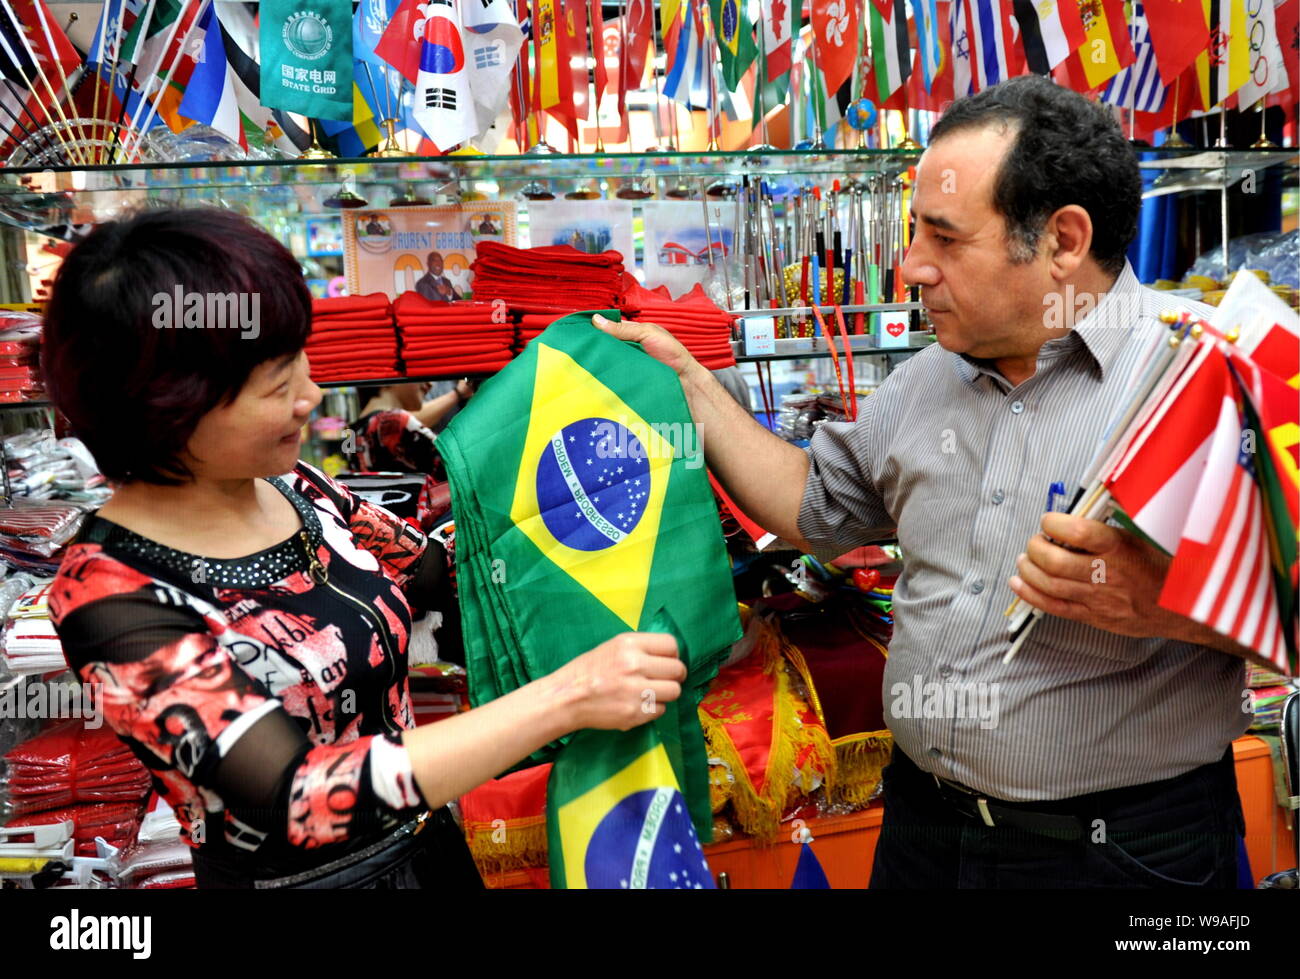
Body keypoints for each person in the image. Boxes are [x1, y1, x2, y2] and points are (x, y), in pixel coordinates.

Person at [596, 75, 1252, 889]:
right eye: (913, 233)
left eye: (945, 239)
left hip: (1119, 855)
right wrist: (691, 384)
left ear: (1064, 241)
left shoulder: (1211, 384)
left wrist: (1169, 602)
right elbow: (815, 503)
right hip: (923, 833)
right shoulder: (926, 380)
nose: (910, 267)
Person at [42, 207, 687, 889]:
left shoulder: (299, 490)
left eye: (300, 361)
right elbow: (294, 794)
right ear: (169, 406)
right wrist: (568, 696)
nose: (310, 394)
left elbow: (449, 578)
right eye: (275, 382)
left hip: (430, 851)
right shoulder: (108, 592)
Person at [348, 379, 473, 476]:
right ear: (393, 374)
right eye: (417, 373)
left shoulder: (351, 431)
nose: (430, 384)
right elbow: (457, 467)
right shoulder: (395, 419)